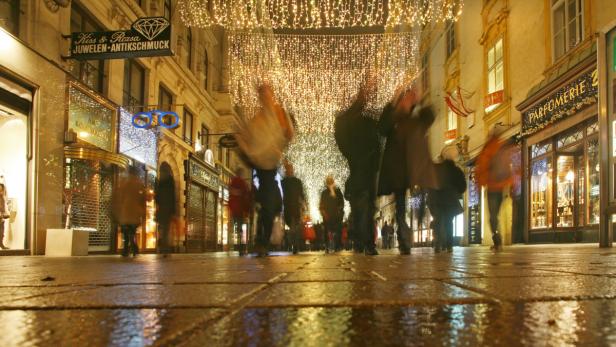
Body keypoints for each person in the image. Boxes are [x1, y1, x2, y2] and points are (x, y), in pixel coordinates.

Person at [378, 87, 438, 255]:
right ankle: (404, 238)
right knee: (401, 206)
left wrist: (419, 102)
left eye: (411, 97)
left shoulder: (417, 118)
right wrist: (394, 104)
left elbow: (430, 116)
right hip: (398, 171)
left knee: (418, 202)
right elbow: (381, 128)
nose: (409, 99)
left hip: (415, 169)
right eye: (406, 97)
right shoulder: (394, 118)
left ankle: (414, 227)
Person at [236, 84, 294, 257]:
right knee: (267, 201)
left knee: (268, 202)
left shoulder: (279, 113)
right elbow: (249, 139)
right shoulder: (257, 119)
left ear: (272, 95)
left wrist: (280, 147)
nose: (265, 98)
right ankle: (261, 240)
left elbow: (289, 133)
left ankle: (262, 239)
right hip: (261, 167)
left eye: (267, 95)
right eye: (262, 96)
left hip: (270, 166)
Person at [335, 83, 381, 255]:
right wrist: (356, 156)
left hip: (370, 167)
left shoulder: (367, 117)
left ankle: (365, 242)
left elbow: (379, 135)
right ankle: (364, 242)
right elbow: (343, 141)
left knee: (368, 207)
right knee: (363, 206)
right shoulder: (347, 119)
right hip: (360, 166)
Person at [476, 127, 514, 251]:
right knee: (499, 213)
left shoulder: (488, 148)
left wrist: (480, 184)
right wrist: (511, 183)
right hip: (503, 186)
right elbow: (511, 166)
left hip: (492, 187)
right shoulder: (503, 146)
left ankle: (497, 239)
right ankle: (500, 238)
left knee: (493, 216)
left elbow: (481, 167)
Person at [428, 147, 466, 253]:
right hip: (450, 200)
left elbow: (429, 185)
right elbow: (462, 186)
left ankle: (438, 244)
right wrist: (456, 192)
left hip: (437, 200)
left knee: (439, 221)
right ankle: (449, 245)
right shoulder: (456, 170)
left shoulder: (436, 169)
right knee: (449, 222)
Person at [112, 167, 146, 257]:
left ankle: (127, 250)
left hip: (126, 211)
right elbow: (143, 198)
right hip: (135, 212)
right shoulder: (139, 184)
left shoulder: (125, 183)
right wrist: (142, 211)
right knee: (132, 232)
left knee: (127, 233)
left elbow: (120, 197)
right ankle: (133, 249)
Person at [281, 162, 306, 254]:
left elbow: (301, 194)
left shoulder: (287, 182)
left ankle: (295, 245)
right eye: (288, 169)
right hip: (290, 207)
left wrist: (303, 204)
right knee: (293, 227)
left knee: (294, 227)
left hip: (293, 207)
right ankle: (294, 244)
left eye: (290, 169)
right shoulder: (285, 182)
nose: (289, 171)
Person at [319, 175, 345, 252]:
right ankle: (327, 246)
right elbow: (321, 204)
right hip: (327, 215)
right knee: (327, 231)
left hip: (337, 215)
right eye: (328, 181)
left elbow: (341, 203)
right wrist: (324, 213)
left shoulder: (338, 191)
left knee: (337, 231)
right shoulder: (324, 193)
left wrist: (339, 211)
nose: (330, 183)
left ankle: (337, 246)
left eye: (331, 181)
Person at [229, 168, 251, 255]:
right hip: (241, 210)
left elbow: (231, 193)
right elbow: (246, 195)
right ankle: (241, 247)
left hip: (235, 210)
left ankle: (239, 246)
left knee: (238, 229)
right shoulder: (242, 183)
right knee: (241, 229)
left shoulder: (233, 181)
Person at [156, 166, 176, 255]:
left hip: (162, 209)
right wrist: (173, 210)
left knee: (162, 228)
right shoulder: (170, 182)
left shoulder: (160, 182)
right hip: (167, 209)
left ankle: (163, 247)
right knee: (166, 230)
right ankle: (165, 248)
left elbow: (157, 197)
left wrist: (159, 204)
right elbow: (172, 197)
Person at [0, 183, 9, 250]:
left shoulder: (3, 197)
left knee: (2, 231)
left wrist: (5, 213)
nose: (1, 191)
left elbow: (4, 207)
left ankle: (1, 244)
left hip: (2, 217)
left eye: (2, 190)